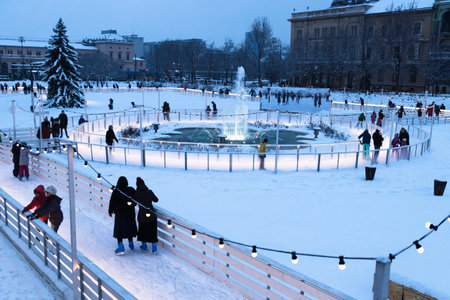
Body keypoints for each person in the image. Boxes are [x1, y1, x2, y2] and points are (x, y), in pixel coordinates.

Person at [108, 177, 138, 255]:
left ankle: (120, 246)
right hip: (130, 214)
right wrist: (131, 204)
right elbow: (136, 200)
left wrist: (110, 211)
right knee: (129, 228)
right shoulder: (131, 190)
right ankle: (131, 243)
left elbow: (112, 202)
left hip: (120, 214)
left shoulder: (116, 191)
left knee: (120, 230)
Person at [134, 177, 159, 253]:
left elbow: (134, 203)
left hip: (142, 215)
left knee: (143, 230)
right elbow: (156, 200)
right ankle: (154, 247)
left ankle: (144, 245)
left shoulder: (137, 194)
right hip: (152, 214)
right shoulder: (149, 192)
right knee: (152, 230)